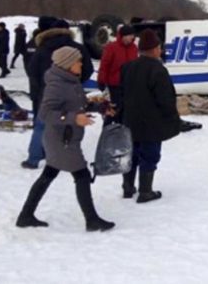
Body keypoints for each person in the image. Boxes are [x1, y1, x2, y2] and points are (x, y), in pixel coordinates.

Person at [16, 47, 115, 232]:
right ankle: (92, 220)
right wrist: (73, 118)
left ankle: (25, 215)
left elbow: (78, 104)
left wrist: (100, 108)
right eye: (78, 61)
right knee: (82, 175)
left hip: (65, 138)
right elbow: (44, 114)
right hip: (62, 140)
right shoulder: (57, 85)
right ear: (68, 64)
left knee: (49, 174)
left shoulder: (70, 81)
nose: (81, 64)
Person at [22, 19, 94, 170]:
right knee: (70, 123)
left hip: (45, 91)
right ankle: (64, 155)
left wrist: (42, 86)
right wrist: (76, 82)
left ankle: (33, 159)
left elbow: (32, 70)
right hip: (72, 92)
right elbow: (88, 69)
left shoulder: (41, 47)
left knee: (42, 124)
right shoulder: (77, 48)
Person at [121, 29, 183, 203]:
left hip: (130, 119)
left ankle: (127, 187)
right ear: (155, 49)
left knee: (131, 153)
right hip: (151, 122)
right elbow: (166, 99)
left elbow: (121, 94)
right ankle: (145, 191)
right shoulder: (158, 70)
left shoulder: (128, 67)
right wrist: (172, 117)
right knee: (149, 155)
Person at [97, 24, 138, 124]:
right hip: (114, 85)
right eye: (129, 35)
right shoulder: (111, 47)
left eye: (132, 35)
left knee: (127, 112)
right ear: (123, 36)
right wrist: (101, 81)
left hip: (129, 85)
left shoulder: (134, 48)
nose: (132, 38)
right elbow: (104, 66)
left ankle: (123, 132)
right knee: (113, 111)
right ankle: (108, 132)